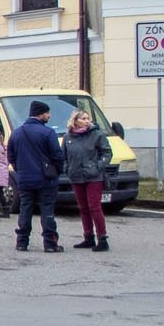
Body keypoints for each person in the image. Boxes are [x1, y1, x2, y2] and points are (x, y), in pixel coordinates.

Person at [7, 100, 66, 252]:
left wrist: (20, 170)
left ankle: (21, 242)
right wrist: (57, 171)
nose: (49, 115)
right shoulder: (48, 132)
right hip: (46, 178)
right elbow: (57, 155)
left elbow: (11, 156)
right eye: (47, 113)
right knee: (47, 209)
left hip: (24, 178)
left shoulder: (17, 133)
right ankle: (50, 243)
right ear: (41, 114)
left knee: (25, 208)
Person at [63, 108, 113, 252]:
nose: (87, 121)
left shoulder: (97, 135)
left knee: (94, 207)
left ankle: (102, 238)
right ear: (75, 121)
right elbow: (64, 156)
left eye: (88, 118)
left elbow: (107, 152)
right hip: (76, 175)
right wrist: (67, 168)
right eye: (83, 118)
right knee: (83, 208)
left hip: (93, 176)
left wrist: (98, 167)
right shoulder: (68, 137)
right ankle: (88, 236)